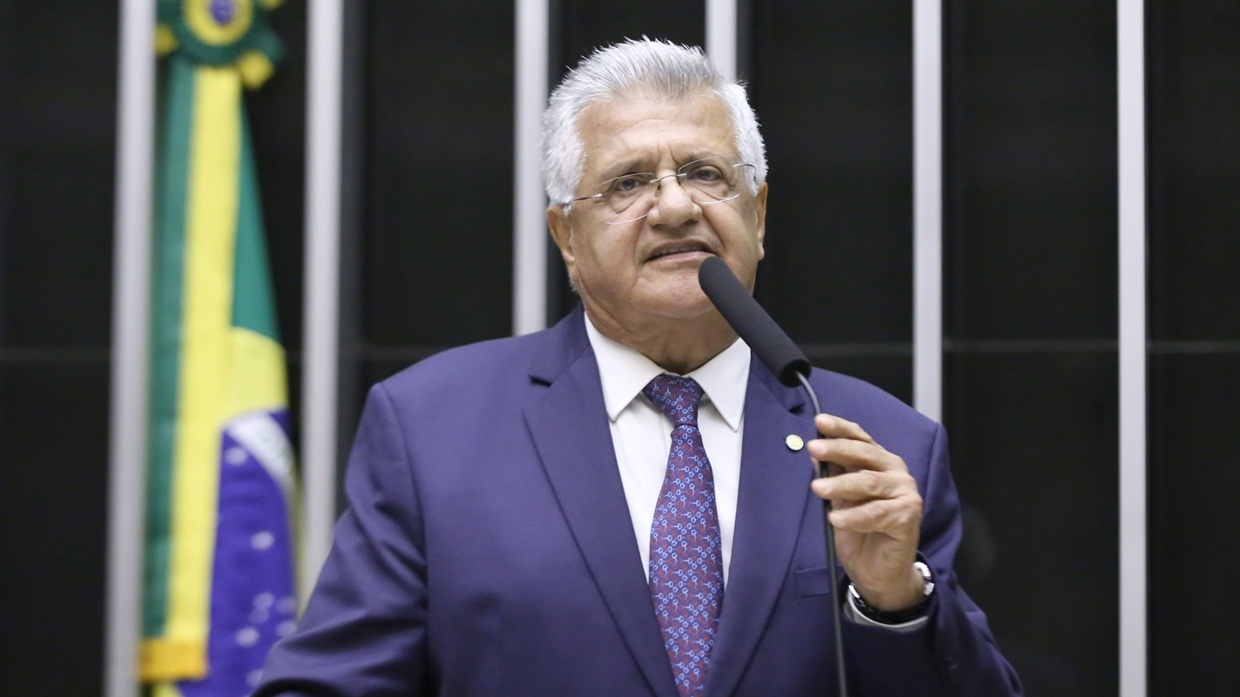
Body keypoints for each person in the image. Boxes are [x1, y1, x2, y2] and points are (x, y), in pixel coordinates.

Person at [254, 38, 1022, 696]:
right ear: (566, 235)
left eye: (705, 173)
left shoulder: (881, 444)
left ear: (757, 214)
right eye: (628, 182)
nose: (675, 207)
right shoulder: (433, 430)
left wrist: (895, 602)